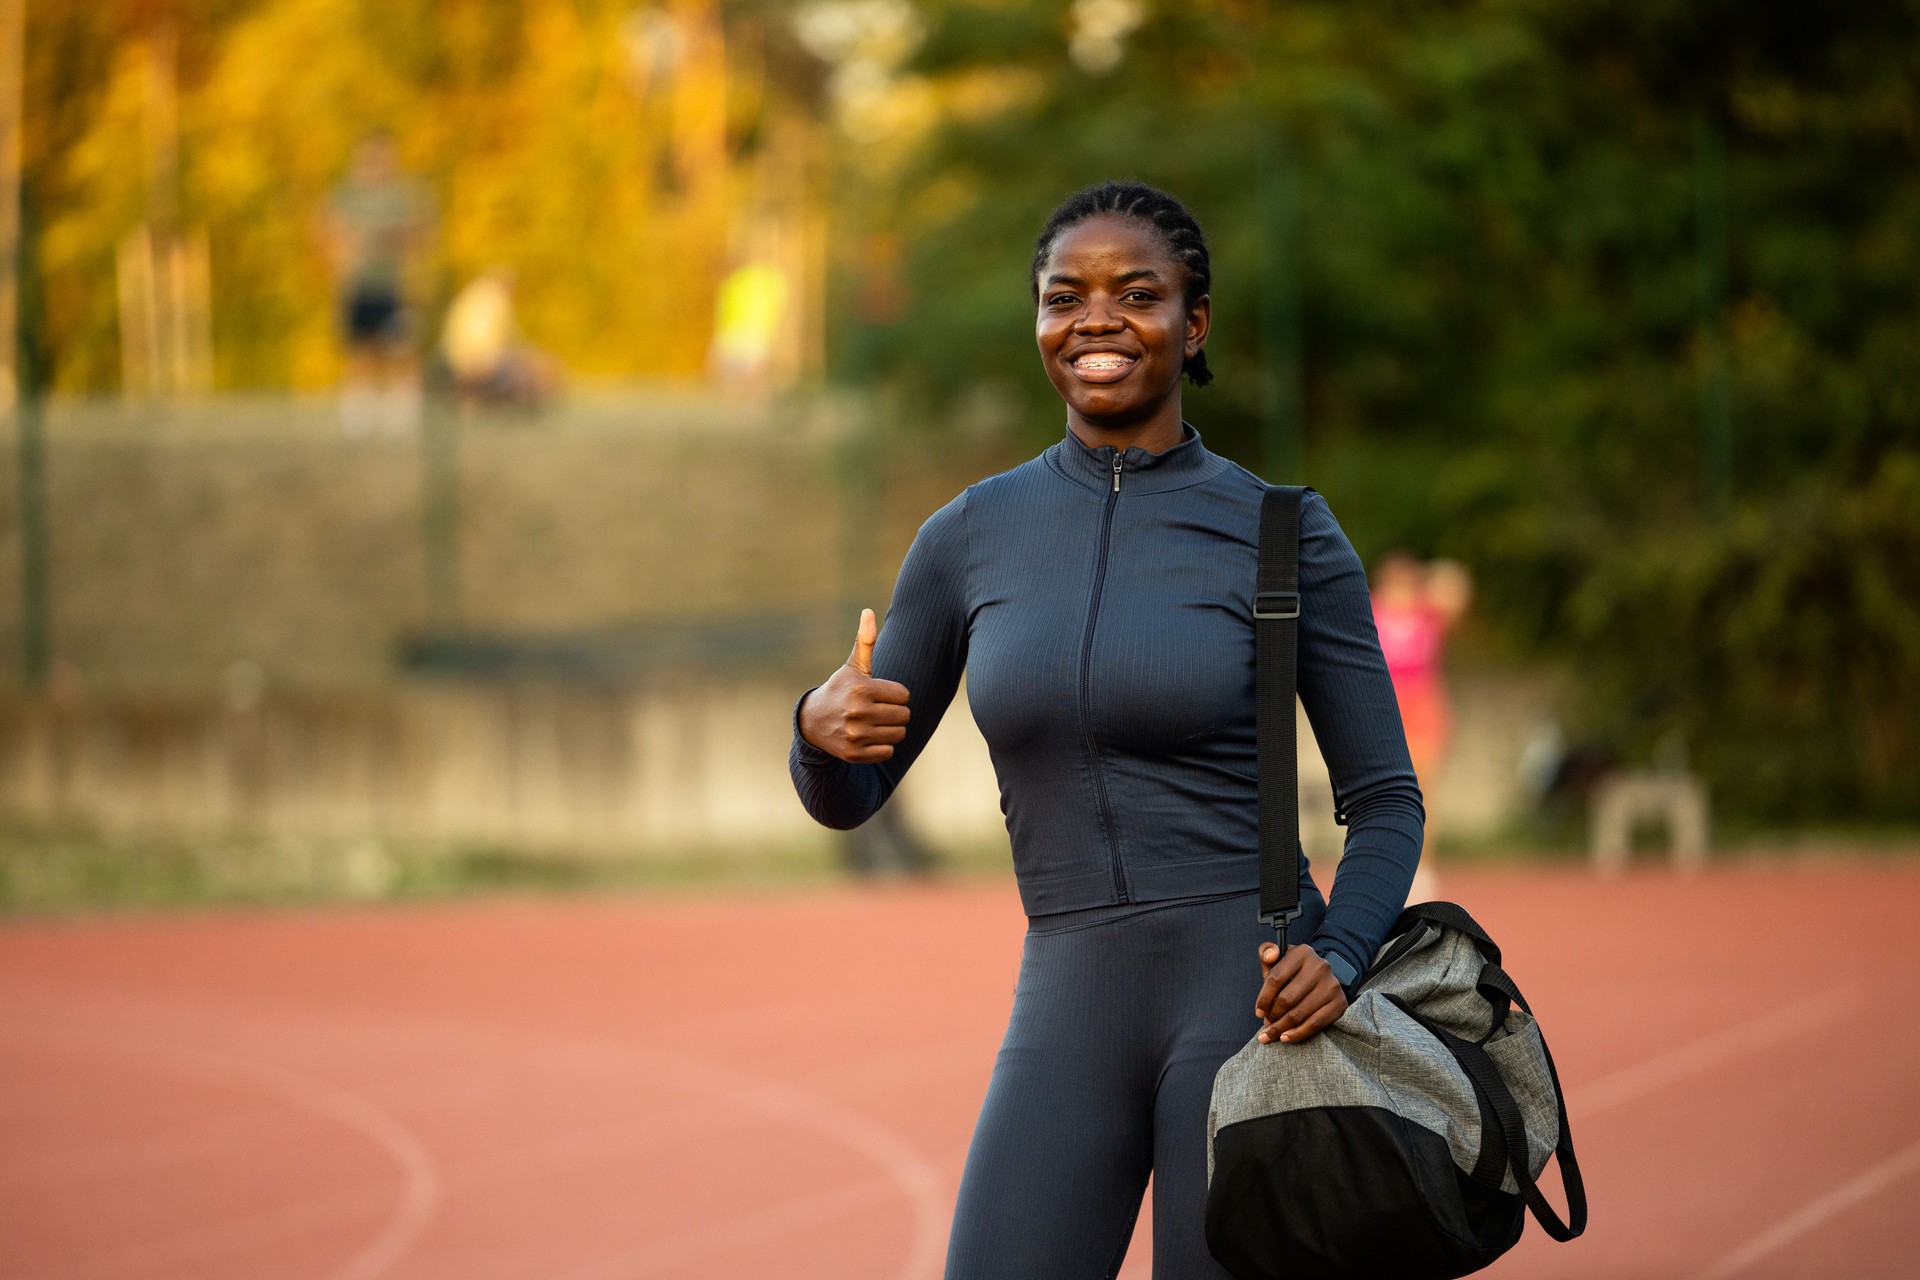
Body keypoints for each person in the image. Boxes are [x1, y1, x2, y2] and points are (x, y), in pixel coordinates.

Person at [789, 181, 1423, 1279]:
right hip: (1067, 996)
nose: (1096, 320)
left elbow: (1386, 801)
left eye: (1136, 294)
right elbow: (849, 799)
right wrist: (815, 730)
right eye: (1064, 296)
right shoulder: (969, 536)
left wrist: (1340, 954)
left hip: (1252, 1001)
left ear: (1194, 320)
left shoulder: (1283, 533)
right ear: (1038, 320)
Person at [1370, 551, 1472, 899]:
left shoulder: (1428, 614)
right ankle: (1379, 863)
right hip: (1384, 712)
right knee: (1380, 794)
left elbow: (1456, 586)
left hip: (1425, 712)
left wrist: (1425, 583)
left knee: (1424, 794)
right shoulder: (1372, 611)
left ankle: (1422, 868)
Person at [323, 132, 434, 437]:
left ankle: (404, 411)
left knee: (401, 346)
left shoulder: (401, 197)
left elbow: (418, 235)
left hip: (393, 284)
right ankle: (359, 413)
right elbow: (330, 233)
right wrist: (343, 258)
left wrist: (385, 237)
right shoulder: (347, 196)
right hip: (358, 283)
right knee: (359, 347)